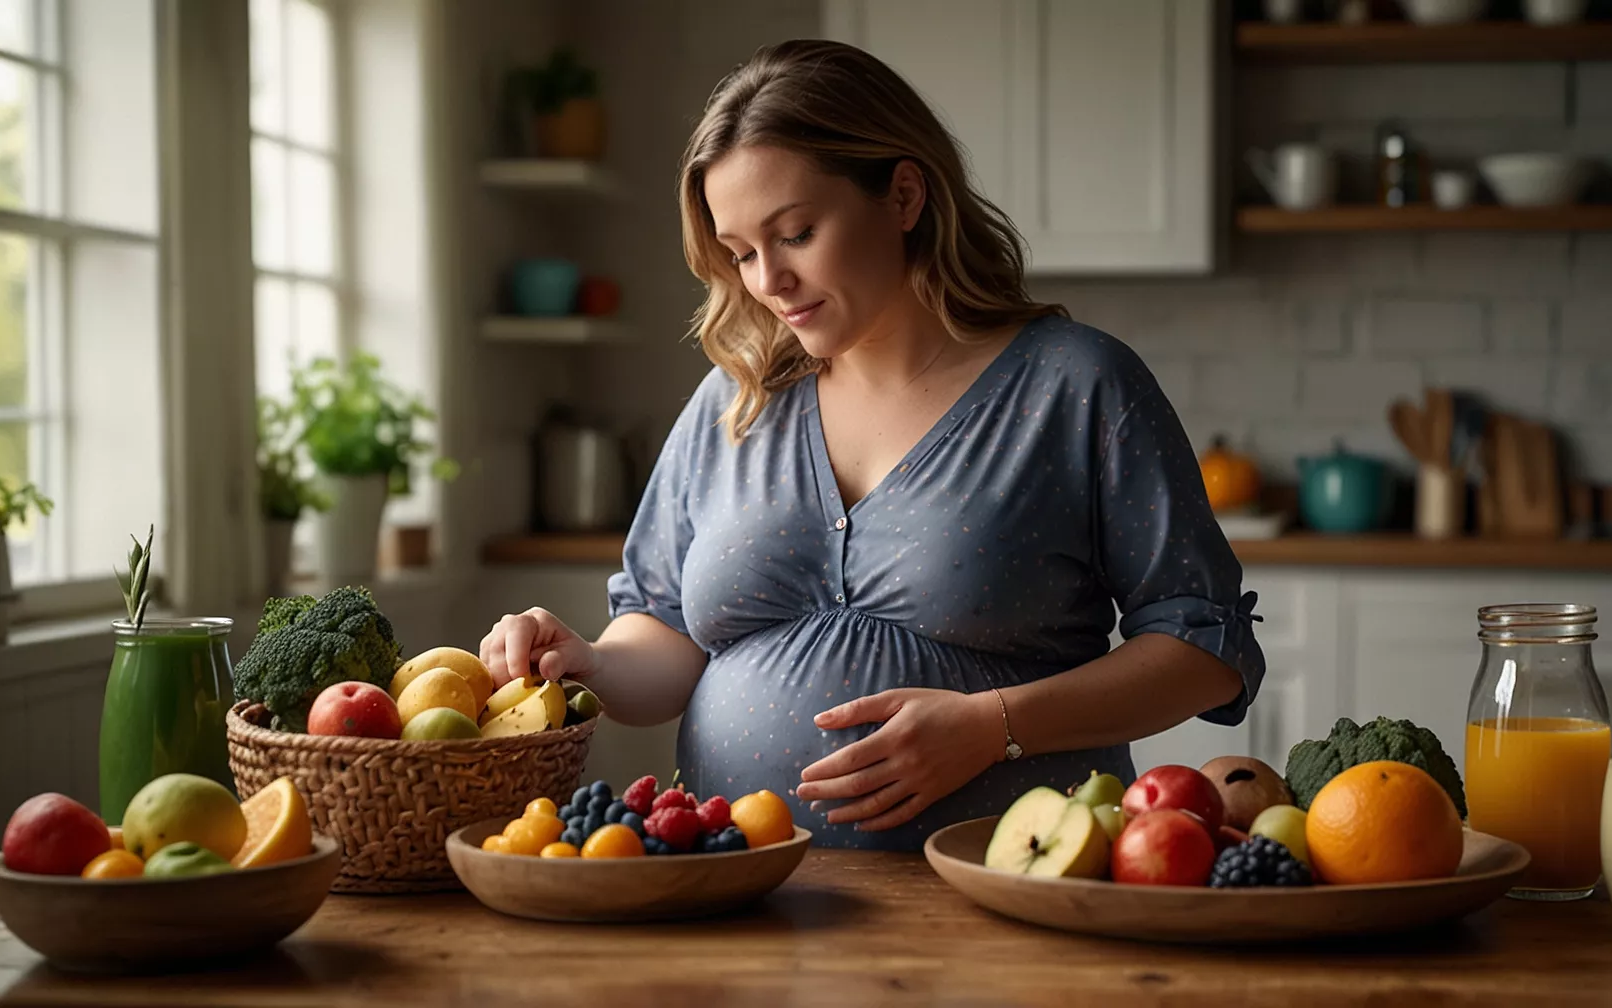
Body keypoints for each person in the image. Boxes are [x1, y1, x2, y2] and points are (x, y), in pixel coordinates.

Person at [480, 38, 1264, 852]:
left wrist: (991, 727)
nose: (766, 282)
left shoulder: (1075, 386)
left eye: (796, 233)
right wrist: (589, 664)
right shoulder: (736, 401)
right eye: (741, 253)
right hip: (740, 897)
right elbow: (667, 636)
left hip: (1005, 894)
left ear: (903, 194)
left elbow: (1204, 648)